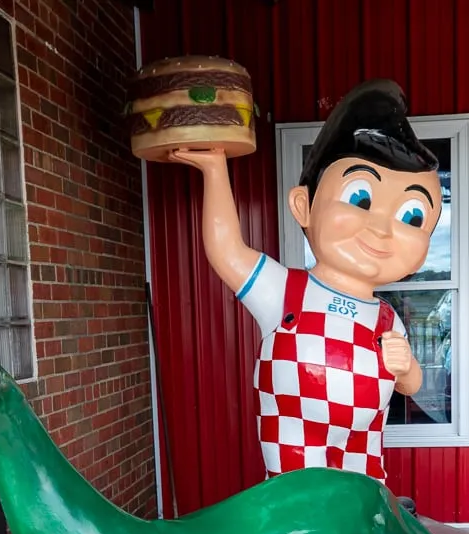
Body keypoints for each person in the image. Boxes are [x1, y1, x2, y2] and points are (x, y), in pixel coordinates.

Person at [171, 79, 441, 512]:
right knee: (303, 510)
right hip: (296, 436)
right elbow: (227, 250)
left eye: (412, 215)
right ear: (303, 206)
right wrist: (215, 171)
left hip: (363, 443)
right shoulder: (285, 290)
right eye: (360, 197)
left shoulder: (386, 318)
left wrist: (406, 365)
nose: (382, 228)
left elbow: (411, 383)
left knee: (362, 511)